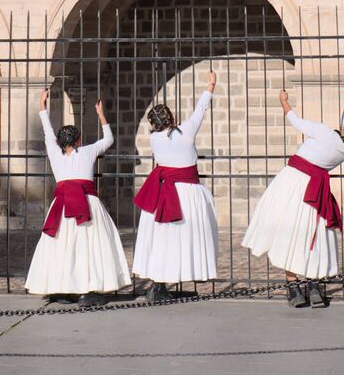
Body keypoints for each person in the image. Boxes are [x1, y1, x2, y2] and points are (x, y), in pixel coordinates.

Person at [242, 77, 344, 309]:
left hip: (293, 183)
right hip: (316, 189)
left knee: (289, 231)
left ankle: (293, 286)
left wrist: (284, 102)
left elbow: (296, 121)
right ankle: (313, 285)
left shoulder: (325, 133)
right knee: (314, 234)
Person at [24, 90, 131, 306]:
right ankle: (89, 289)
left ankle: (61, 288)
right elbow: (109, 139)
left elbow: (47, 132)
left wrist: (42, 106)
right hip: (86, 203)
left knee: (61, 245)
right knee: (90, 245)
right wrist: (101, 115)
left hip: (62, 206)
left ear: (59, 141)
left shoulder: (54, 152)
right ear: (79, 140)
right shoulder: (88, 151)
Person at [131, 71, 220, 302]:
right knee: (185, 236)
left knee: (163, 238)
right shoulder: (187, 131)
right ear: (171, 118)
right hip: (187, 192)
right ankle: (179, 274)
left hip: (164, 192)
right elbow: (200, 109)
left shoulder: (154, 139)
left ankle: (159, 282)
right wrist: (210, 85)